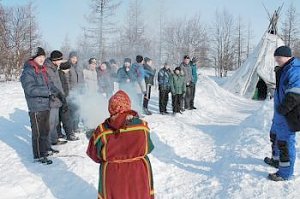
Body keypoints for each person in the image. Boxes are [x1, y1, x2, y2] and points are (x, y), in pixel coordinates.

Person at [86, 90, 154, 199]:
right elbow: (149, 148)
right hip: (138, 172)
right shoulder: (142, 126)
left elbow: (93, 154)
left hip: (113, 174)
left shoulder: (102, 130)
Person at [265, 46, 300, 181]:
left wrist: (282, 110)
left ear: (286, 56)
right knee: (274, 136)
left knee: (285, 143)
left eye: (278, 58)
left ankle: (285, 173)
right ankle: (276, 160)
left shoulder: (295, 70)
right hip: (279, 114)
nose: (276, 61)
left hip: (287, 114)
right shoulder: (285, 68)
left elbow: (296, 94)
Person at [20, 47, 53, 164]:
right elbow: (30, 90)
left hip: (45, 105)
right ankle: (38, 156)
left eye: (43, 57)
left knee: (45, 131)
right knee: (38, 133)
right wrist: (48, 91)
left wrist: (54, 91)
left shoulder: (42, 70)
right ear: (34, 58)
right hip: (36, 107)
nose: (42, 59)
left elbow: (50, 84)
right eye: (39, 57)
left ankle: (44, 151)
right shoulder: (28, 71)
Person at [45, 50, 69, 148]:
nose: (61, 62)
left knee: (55, 121)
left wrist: (62, 95)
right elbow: (50, 84)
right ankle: (49, 142)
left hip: (58, 97)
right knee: (51, 122)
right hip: (52, 98)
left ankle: (54, 139)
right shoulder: (48, 69)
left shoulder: (54, 68)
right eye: (60, 60)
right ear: (55, 60)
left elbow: (58, 84)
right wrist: (56, 94)